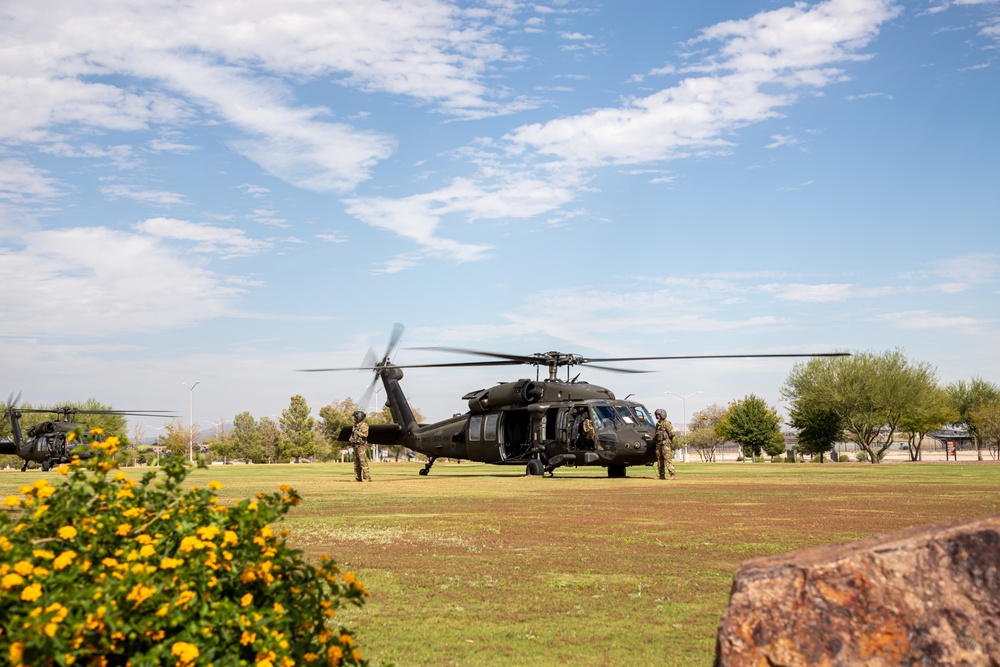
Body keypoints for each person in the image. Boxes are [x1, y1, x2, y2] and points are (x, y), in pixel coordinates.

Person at [349, 410, 372, 482]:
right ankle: (358, 478)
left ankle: (367, 478)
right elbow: (353, 434)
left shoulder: (364, 425)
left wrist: (357, 432)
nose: (354, 418)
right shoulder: (355, 425)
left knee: (363, 462)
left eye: (355, 417)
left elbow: (365, 434)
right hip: (355, 445)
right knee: (356, 463)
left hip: (361, 446)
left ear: (358, 417)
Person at [654, 408, 676, 479]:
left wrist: (669, 440)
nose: (657, 416)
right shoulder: (657, 424)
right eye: (656, 415)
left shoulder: (666, 423)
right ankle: (661, 475)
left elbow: (672, 433)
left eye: (658, 415)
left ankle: (672, 474)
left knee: (668, 459)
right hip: (658, 443)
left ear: (662, 415)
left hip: (665, 444)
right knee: (659, 460)